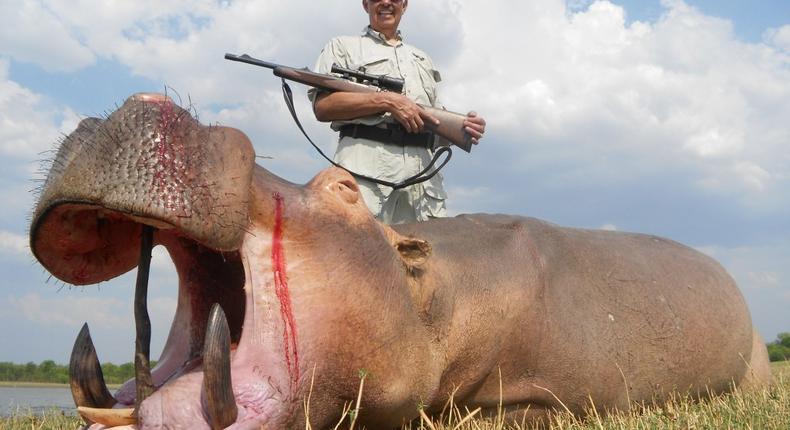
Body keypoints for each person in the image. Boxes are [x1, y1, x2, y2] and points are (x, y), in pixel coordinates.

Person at [309, 0, 486, 224]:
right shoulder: (343, 46)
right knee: (359, 254)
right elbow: (323, 107)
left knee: (426, 257)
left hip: (422, 184)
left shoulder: (421, 59)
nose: (385, 2)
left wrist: (465, 128)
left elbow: (435, 126)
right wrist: (386, 101)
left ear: (404, 4)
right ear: (366, 4)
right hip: (364, 178)